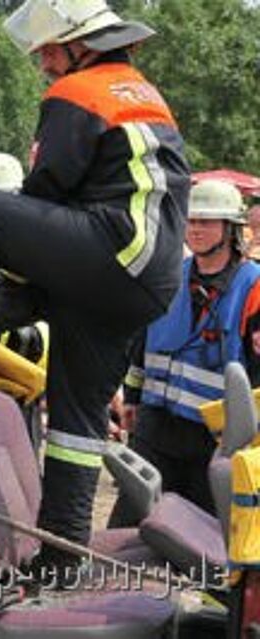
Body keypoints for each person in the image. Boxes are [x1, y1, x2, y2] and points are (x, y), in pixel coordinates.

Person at [0, 0, 190, 569]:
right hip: (147, 282)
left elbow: (46, 192)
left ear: (81, 44)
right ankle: (60, 557)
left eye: (49, 52)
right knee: (77, 423)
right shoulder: (141, 91)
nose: (43, 66)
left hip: (114, 248)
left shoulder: (77, 94)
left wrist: (5, 294)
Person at [111, 180, 260, 524]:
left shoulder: (251, 287)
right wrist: (132, 396)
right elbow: (141, 344)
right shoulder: (169, 277)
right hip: (155, 427)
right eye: (191, 220)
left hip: (215, 441)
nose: (195, 229)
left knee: (199, 540)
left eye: (207, 221)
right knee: (130, 525)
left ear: (230, 229)